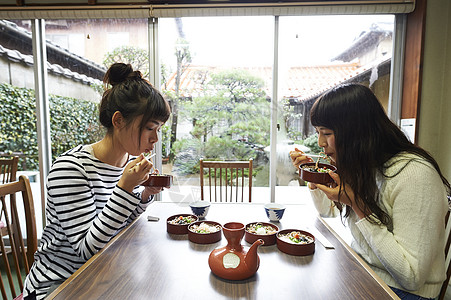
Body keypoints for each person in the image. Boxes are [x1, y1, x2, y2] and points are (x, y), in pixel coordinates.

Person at [23, 63, 171, 300]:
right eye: (149, 128)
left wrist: (143, 195)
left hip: (104, 273)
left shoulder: (127, 163)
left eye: (158, 129)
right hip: (59, 284)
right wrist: (124, 187)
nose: (154, 138)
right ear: (119, 121)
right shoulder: (71, 168)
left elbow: (117, 227)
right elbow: (87, 250)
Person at [290, 83, 450, 300]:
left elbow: (411, 276)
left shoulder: (414, 174)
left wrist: (358, 204)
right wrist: (313, 176)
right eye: (318, 132)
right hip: (363, 272)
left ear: (357, 132)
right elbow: (328, 213)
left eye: (326, 133)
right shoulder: (366, 165)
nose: (320, 143)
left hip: (403, 292)